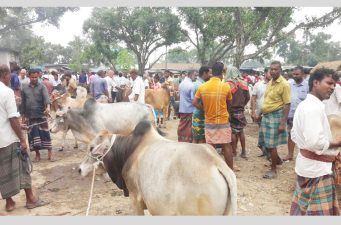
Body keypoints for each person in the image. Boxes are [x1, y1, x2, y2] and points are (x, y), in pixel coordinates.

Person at [290, 68, 341, 216]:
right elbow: (315, 143)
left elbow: (294, 135)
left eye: (334, 84)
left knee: (304, 211)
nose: (332, 87)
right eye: (329, 83)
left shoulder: (307, 105)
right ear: (316, 83)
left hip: (307, 166)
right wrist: (336, 143)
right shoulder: (313, 108)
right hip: (317, 171)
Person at [0, 64, 49, 212]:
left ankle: (9, 203)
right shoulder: (6, 91)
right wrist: (22, 139)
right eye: (10, 75)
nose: (11, 78)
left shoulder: (40, 87)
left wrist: (18, 124)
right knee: (23, 167)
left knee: (2, 172)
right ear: (5, 74)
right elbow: (12, 118)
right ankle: (31, 199)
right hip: (9, 139)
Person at [193, 62, 237, 171]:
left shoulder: (203, 86)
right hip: (223, 120)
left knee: (210, 147)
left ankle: (211, 171)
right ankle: (230, 171)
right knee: (226, 146)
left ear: (212, 72)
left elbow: (194, 102)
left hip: (209, 121)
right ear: (222, 72)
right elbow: (229, 104)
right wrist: (226, 112)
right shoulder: (226, 86)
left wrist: (205, 109)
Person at [258, 61, 291, 179]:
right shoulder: (270, 82)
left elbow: (287, 104)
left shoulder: (285, 84)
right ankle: (277, 161)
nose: (272, 71)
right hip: (266, 116)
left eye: (275, 69)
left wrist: (283, 123)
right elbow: (267, 100)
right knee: (262, 143)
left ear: (280, 70)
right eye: (271, 69)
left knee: (271, 145)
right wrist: (260, 113)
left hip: (276, 116)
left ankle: (273, 170)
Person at [21, 69, 54, 162]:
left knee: (45, 134)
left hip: (41, 115)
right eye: (32, 77)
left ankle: (50, 153)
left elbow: (46, 98)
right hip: (30, 116)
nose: (34, 79)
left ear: (38, 76)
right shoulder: (25, 88)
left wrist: (47, 107)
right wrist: (23, 118)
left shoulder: (42, 87)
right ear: (29, 77)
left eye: (36, 77)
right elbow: (23, 104)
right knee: (32, 136)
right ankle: (37, 154)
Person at [283, 66, 309, 162]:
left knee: (305, 136)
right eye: (294, 74)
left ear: (302, 74)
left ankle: (305, 155)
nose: (295, 76)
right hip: (291, 114)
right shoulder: (289, 84)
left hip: (303, 116)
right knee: (291, 134)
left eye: (297, 74)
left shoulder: (307, 85)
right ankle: (290, 154)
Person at [225, 66, 250, 159]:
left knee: (233, 132)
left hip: (231, 110)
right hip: (240, 111)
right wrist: (243, 105)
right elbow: (248, 97)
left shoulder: (227, 84)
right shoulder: (244, 83)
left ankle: (234, 151)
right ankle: (243, 152)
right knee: (241, 131)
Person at [251, 68, 272, 159]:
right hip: (260, 112)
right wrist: (253, 111)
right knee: (262, 133)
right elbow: (253, 98)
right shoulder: (258, 85)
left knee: (269, 133)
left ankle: (269, 152)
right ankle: (265, 151)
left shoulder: (275, 85)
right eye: (270, 72)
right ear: (265, 73)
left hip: (271, 113)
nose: (271, 74)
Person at [191, 66, 211, 144]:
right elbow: (195, 102)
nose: (210, 75)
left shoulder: (197, 83)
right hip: (200, 114)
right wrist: (206, 110)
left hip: (196, 113)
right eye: (209, 73)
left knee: (196, 137)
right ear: (204, 73)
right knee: (201, 139)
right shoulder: (200, 85)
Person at [177, 70, 195, 143]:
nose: (196, 77)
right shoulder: (191, 85)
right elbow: (193, 99)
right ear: (190, 75)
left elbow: (179, 96)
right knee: (188, 127)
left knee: (182, 125)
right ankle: (187, 141)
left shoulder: (181, 84)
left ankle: (181, 140)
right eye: (195, 75)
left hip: (182, 108)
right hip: (189, 109)